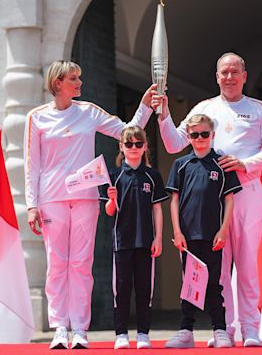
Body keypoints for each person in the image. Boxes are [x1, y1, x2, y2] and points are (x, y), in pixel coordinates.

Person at [24, 60, 156, 350]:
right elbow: (32, 164)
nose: (79, 82)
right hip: (52, 198)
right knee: (57, 264)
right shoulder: (37, 118)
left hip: (85, 197)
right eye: (74, 78)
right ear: (58, 83)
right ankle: (60, 327)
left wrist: (145, 108)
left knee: (81, 264)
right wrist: (32, 205)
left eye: (79, 77)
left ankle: (81, 329)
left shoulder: (89, 112)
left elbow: (127, 132)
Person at [152, 53, 262, 347]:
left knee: (246, 264)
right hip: (211, 199)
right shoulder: (204, 109)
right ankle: (225, 328)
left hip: (246, 192)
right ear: (217, 76)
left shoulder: (258, 109)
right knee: (217, 268)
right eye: (224, 72)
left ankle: (250, 329)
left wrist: (245, 163)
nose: (230, 77)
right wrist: (164, 114)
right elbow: (173, 143)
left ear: (245, 76)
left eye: (235, 72)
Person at [164, 114, 242, 349]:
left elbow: (229, 200)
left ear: (212, 135)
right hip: (187, 237)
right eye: (195, 134)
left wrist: (224, 230)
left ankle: (220, 330)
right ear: (188, 137)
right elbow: (174, 201)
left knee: (214, 285)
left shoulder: (222, 163)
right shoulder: (181, 165)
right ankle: (186, 331)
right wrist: (177, 232)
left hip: (212, 235)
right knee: (189, 284)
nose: (199, 138)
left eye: (204, 134)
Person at [99, 126, 168, 350]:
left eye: (139, 144)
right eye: (129, 144)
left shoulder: (153, 175)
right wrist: (111, 199)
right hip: (122, 241)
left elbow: (157, 209)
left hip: (146, 241)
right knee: (122, 288)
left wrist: (158, 238)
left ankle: (143, 333)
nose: (134, 148)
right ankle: (120, 333)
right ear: (121, 147)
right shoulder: (113, 175)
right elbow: (110, 211)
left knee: (144, 289)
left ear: (145, 146)